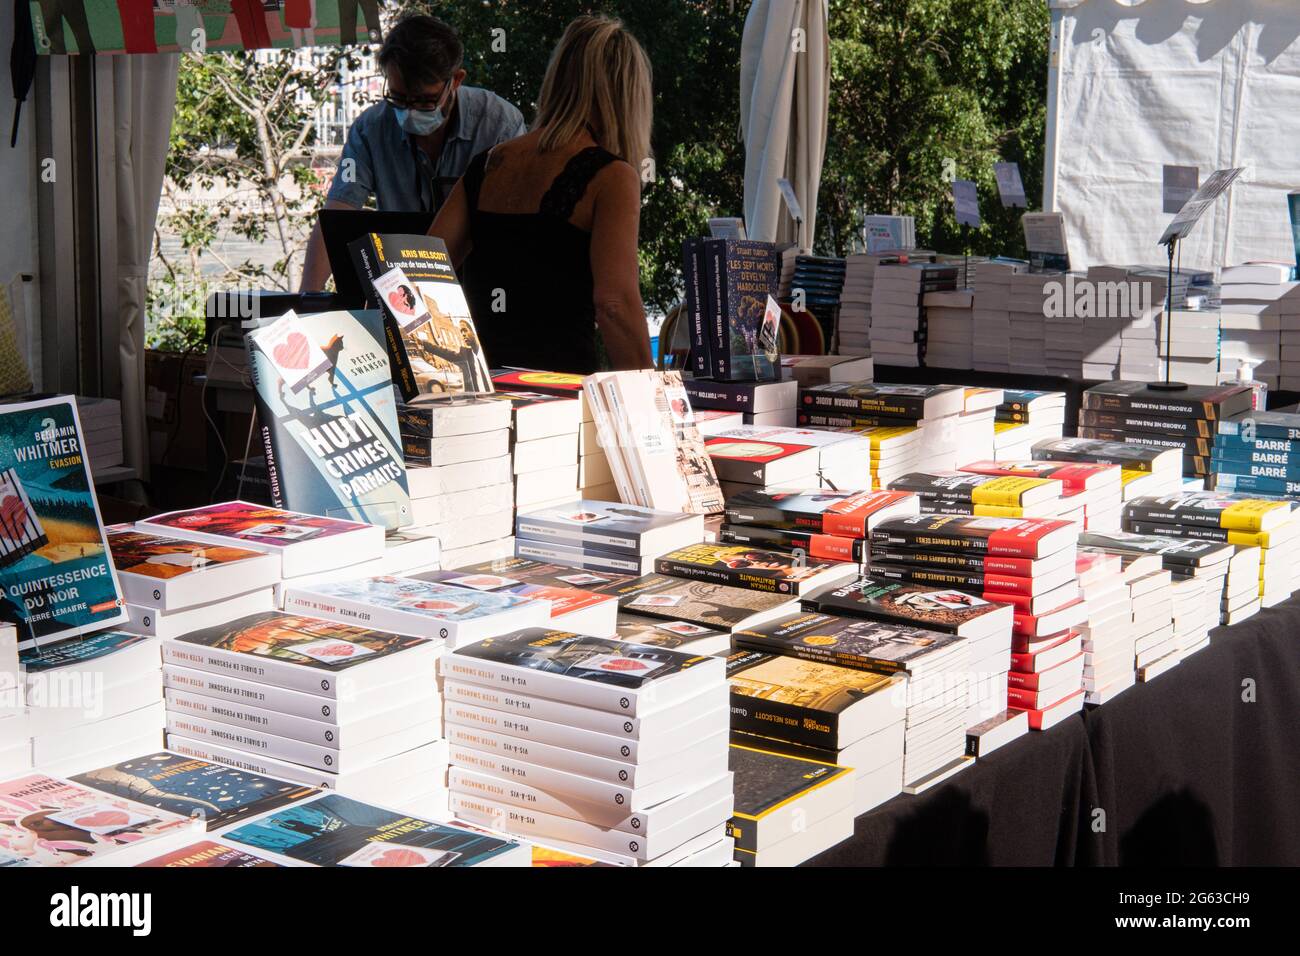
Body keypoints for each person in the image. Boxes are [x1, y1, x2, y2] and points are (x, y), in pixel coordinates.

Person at [429, 15, 654, 373]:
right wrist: (651, 403)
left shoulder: (489, 163)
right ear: (628, 95)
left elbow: (422, 267)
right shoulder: (612, 177)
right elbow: (614, 305)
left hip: (484, 387)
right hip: (561, 395)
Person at [299, 15, 527, 292]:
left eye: (425, 100)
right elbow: (337, 217)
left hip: (484, 288)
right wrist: (307, 300)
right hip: (402, 290)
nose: (409, 111)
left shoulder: (499, 124)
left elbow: (516, 228)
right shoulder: (370, 129)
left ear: (455, 80)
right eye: (398, 97)